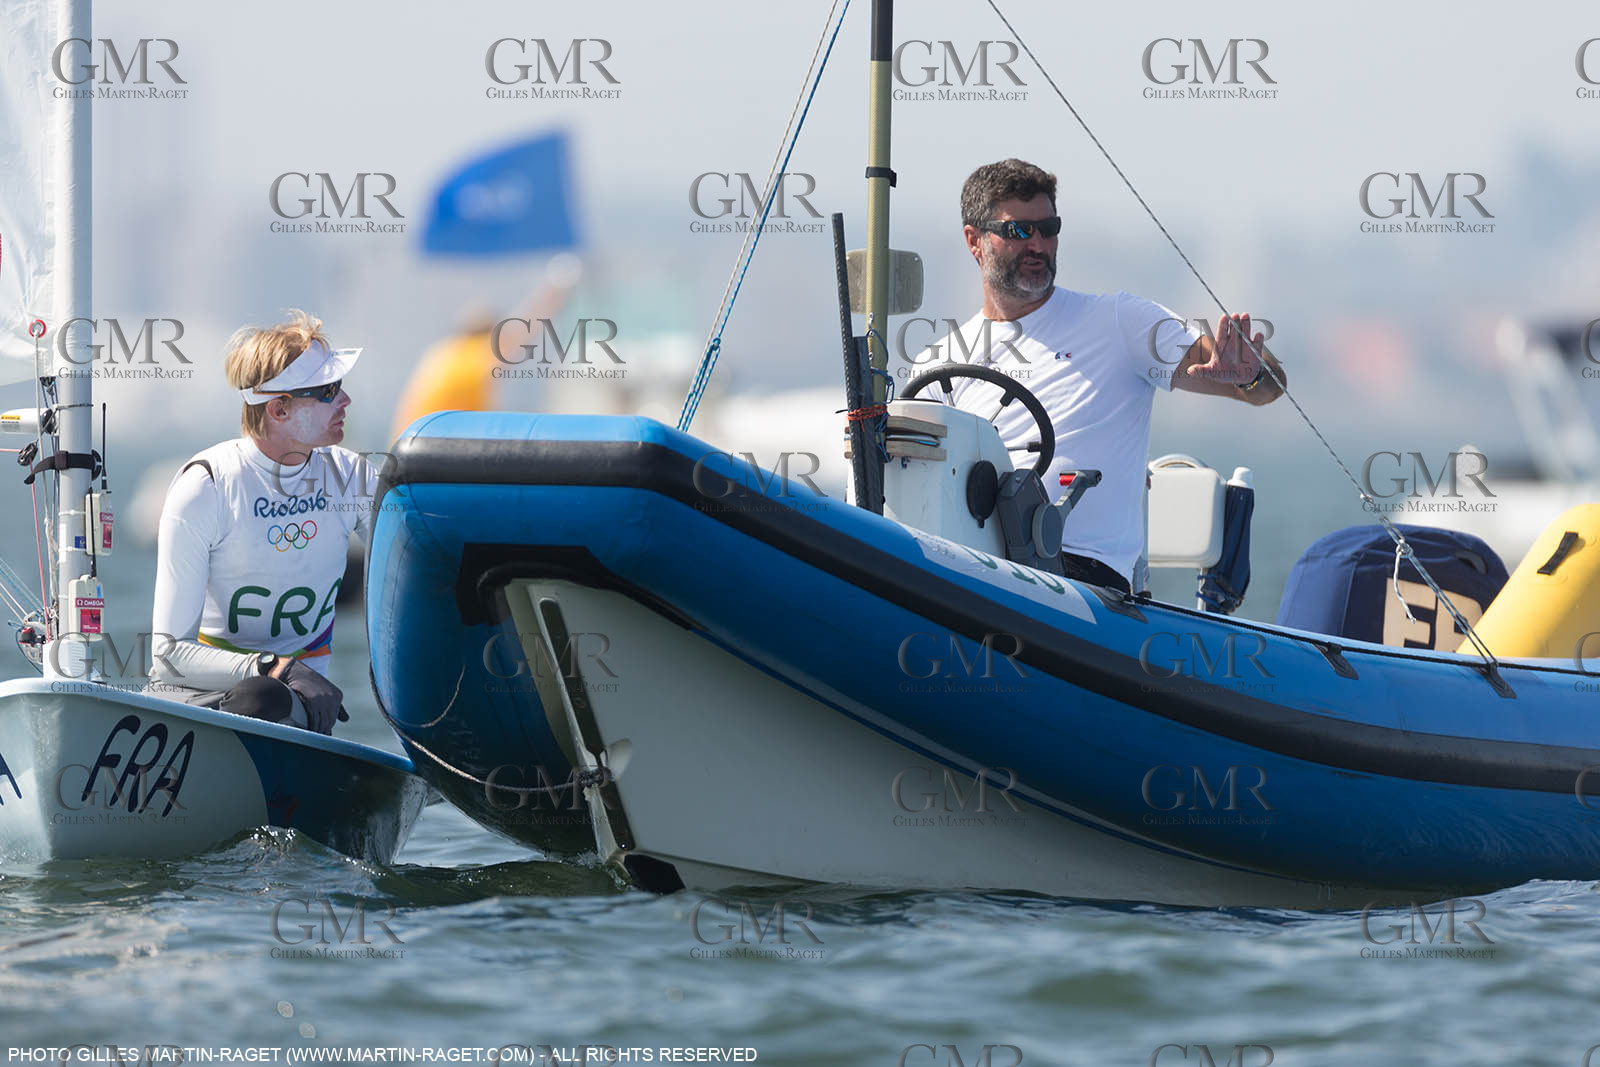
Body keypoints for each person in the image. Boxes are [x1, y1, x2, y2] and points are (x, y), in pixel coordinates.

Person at [938, 158, 1287, 594]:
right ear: (975, 241)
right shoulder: (941, 361)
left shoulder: (1120, 323)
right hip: (975, 568)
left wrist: (1250, 375)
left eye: (1049, 228)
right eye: (1019, 231)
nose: (1038, 244)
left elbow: (1268, 388)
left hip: (1084, 578)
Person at [148, 310, 375, 733]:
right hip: (198, 692)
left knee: (265, 697)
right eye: (328, 390)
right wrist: (277, 667)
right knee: (261, 692)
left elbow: (421, 559)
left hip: (286, 703)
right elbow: (166, 658)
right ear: (279, 410)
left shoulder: (351, 478)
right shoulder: (208, 486)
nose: (345, 401)